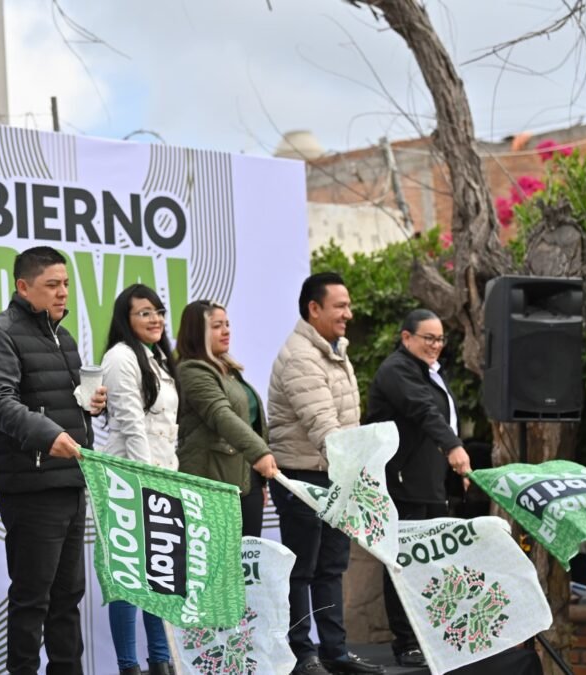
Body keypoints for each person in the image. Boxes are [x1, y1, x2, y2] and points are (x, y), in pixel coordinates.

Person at [0, 246, 107, 675]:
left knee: (69, 598)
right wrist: (50, 436)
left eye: (65, 284)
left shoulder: (61, 336)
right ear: (23, 287)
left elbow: (56, 404)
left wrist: (90, 406)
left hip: (70, 481)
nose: (63, 293)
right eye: (52, 285)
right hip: (31, 487)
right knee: (33, 600)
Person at [267, 272, 382, 675]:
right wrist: (354, 466)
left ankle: (335, 651)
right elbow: (324, 426)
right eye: (340, 306)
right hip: (302, 478)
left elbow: (348, 424)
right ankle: (303, 655)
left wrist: (356, 471)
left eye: (348, 305)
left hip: (335, 476)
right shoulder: (301, 356)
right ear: (314, 309)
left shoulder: (333, 350)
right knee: (302, 571)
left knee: (331, 567)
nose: (348, 314)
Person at [365, 308, 472, 668]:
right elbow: (424, 410)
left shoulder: (427, 372)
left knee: (432, 562)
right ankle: (406, 641)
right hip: (402, 484)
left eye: (440, 339)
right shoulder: (397, 370)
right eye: (429, 338)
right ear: (406, 337)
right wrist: (454, 446)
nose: (436, 345)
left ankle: (430, 636)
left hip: (429, 483)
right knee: (402, 562)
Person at [100, 284, 178, 675]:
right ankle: (129, 667)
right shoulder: (119, 357)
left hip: (162, 482)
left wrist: (170, 483)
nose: (155, 319)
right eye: (144, 313)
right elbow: (131, 426)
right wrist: (148, 484)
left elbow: (168, 431)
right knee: (128, 581)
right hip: (129, 483)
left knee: (160, 580)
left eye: (158, 311)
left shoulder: (160, 358)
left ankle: (161, 662)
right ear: (126, 320)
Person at [175, 300, 278, 537]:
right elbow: (221, 415)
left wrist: (258, 482)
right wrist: (260, 453)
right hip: (212, 482)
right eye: (217, 325)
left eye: (228, 324)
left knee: (246, 563)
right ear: (196, 331)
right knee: (219, 567)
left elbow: (249, 422)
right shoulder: (192, 370)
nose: (226, 330)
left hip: (246, 478)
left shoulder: (229, 370)